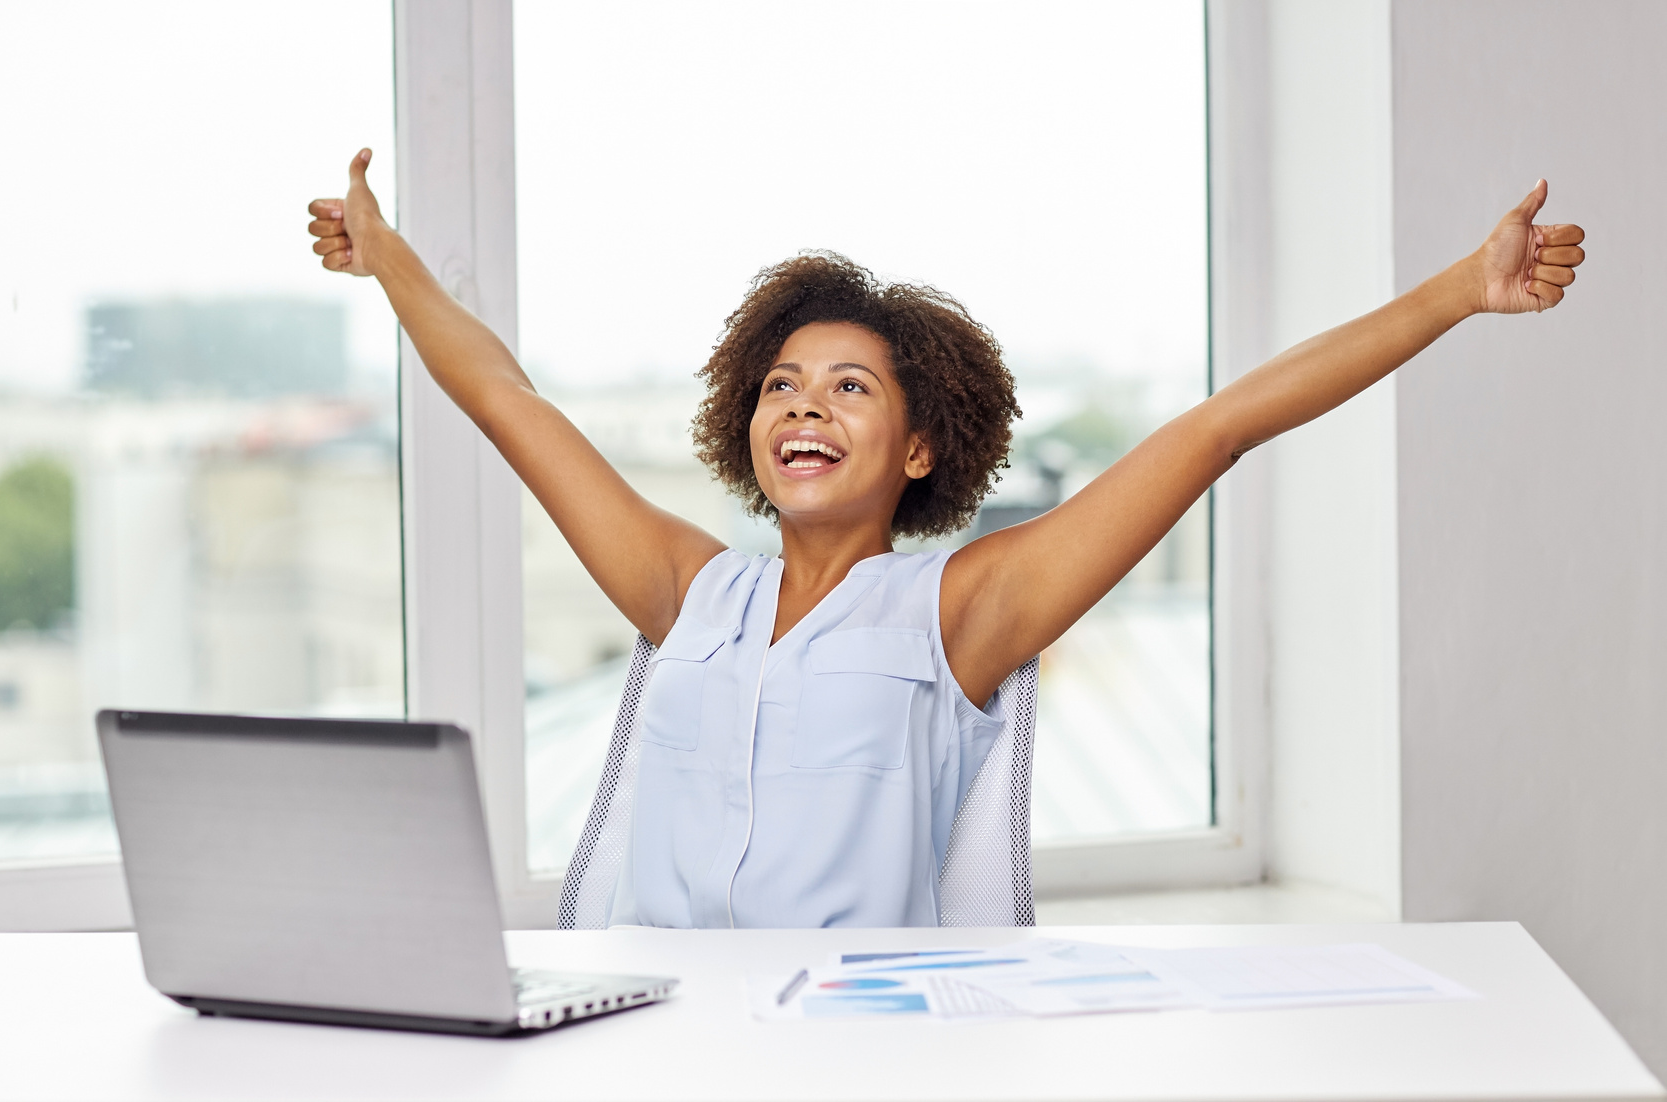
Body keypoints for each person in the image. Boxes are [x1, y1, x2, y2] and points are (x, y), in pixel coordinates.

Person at [309, 150, 1584, 929]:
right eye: (781, 384)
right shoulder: (686, 592)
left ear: (920, 449)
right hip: (660, 1051)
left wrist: (1457, 293)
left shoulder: (957, 610)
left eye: (850, 386)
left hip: (864, 1065)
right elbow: (504, 398)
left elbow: (1218, 427)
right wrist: (391, 259)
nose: (803, 402)